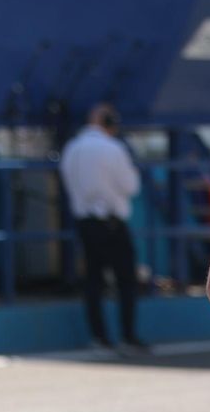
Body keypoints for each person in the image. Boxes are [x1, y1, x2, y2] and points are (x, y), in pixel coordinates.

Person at [59, 103, 146, 350]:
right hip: (112, 223)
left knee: (93, 282)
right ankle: (128, 336)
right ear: (111, 125)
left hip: (85, 223)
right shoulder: (113, 148)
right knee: (126, 281)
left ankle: (99, 337)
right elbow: (131, 186)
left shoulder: (72, 148)